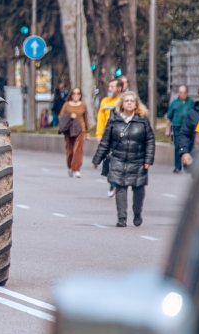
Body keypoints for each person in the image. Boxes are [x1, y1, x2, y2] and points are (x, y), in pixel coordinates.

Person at [92, 90, 155, 227]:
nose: (129, 103)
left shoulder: (142, 120)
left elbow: (150, 140)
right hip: (118, 159)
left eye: (132, 101)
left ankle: (137, 213)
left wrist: (148, 160)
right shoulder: (114, 120)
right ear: (122, 104)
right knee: (120, 188)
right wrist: (97, 159)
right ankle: (122, 218)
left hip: (138, 160)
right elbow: (105, 141)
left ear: (136, 104)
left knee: (138, 189)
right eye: (127, 101)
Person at [95, 79, 121, 196]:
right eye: (109, 86)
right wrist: (99, 134)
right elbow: (100, 120)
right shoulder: (105, 101)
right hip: (107, 135)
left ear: (119, 88)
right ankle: (112, 181)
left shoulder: (123, 101)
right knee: (108, 160)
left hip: (120, 135)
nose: (110, 88)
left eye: (113, 86)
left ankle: (115, 183)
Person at [58, 87, 89, 178]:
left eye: (78, 93)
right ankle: (70, 166)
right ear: (71, 95)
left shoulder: (83, 105)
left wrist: (87, 131)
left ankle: (76, 169)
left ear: (80, 95)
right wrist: (69, 116)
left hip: (80, 130)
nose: (76, 95)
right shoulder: (66, 105)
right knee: (70, 150)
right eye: (74, 93)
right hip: (69, 130)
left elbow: (85, 119)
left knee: (78, 150)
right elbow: (61, 116)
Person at [165, 84, 195, 173]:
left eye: (184, 92)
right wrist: (168, 130)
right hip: (177, 126)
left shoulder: (191, 103)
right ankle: (177, 167)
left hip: (188, 127)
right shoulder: (174, 103)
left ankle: (188, 165)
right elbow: (169, 117)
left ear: (187, 93)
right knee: (178, 147)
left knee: (189, 146)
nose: (182, 94)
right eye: (180, 92)